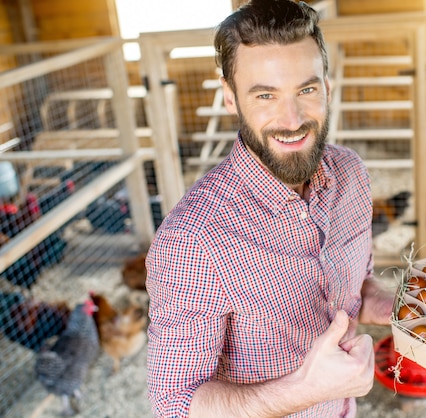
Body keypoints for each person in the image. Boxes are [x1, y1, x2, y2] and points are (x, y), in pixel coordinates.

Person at [145, 0, 395, 416]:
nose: (292, 118)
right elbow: (174, 406)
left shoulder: (351, 175)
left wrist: (397, 307)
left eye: (307, 89)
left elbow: (354, 289)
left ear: (327, 87)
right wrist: (303, 389)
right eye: (265, 95)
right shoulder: (192, 241)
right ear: (231, 98)